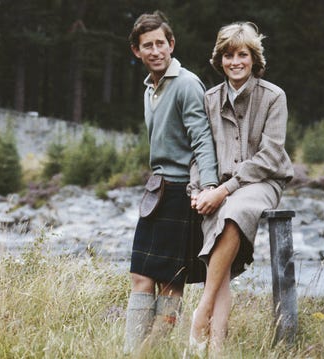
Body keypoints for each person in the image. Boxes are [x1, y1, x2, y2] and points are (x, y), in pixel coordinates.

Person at [188, 22, 294, 357]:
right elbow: (200, 151)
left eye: (242, 54)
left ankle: (201, 311)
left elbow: (272, 154)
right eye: (229, 55)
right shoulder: (209, 99)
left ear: (254, 59)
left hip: (262, 182)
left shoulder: (274, 96)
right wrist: (201, 188)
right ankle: (217, 347)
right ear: (219, 60)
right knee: (218, 228)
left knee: (232, 212)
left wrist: (225, 190)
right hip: (217, 185)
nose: (236, 61)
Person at [124, 11, 219, 354]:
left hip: (182, 192)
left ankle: (150, 353)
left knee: (170, 282)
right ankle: (134, 352)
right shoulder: (150, 88)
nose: (155, 51)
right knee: (140, 277)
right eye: (147, 45)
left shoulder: (187, 84)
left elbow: (202, 139)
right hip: (157, 189)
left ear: (171, 44)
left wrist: (209, 187)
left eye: (160, 43)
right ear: (136, 51)